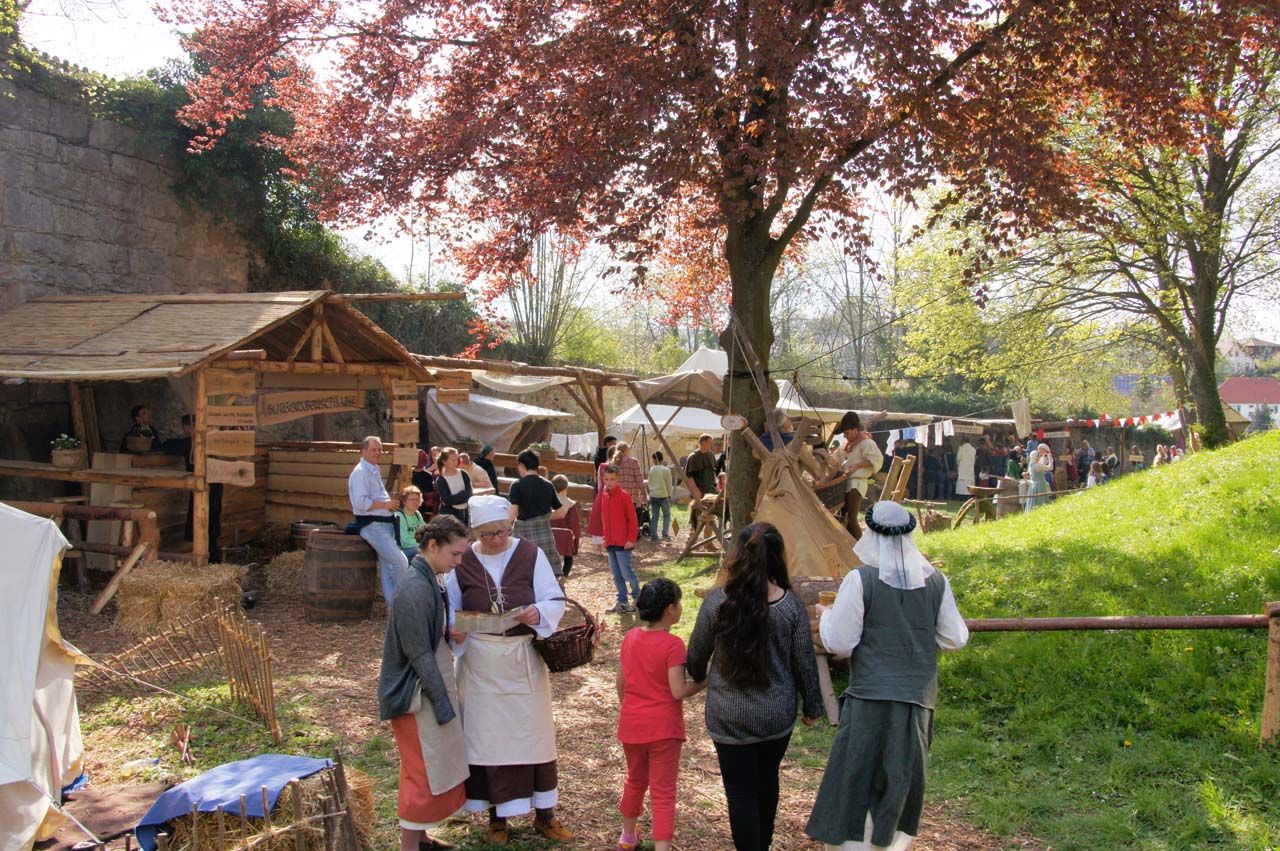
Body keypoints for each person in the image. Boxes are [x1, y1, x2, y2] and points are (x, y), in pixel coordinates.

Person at [806, 501, 969, 851]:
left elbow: (841, 643)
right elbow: (955, 638)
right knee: (899, 781)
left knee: (858, 779)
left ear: (873, 535)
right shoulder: (936, 582)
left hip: (870, 700)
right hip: (916, 701)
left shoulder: (860, 580)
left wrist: (827, 615)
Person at [686, 524, 824, 851]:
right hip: (776, 716)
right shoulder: (790, 606)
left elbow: (696, 655)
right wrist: (813, 706)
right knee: (767, 781)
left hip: (728, 716)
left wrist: (700, 675)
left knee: (740, 794)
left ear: (736, 556)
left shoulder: (717, 602)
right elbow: (804, 661)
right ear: (777, 558)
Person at [446, 495, 572, 845]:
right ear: (475, 532)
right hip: (480, 664)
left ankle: (545, 815)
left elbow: (554, 599)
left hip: (521, 661)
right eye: (487, 534)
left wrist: (538, 612)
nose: (496, 539)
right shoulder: (463, 560)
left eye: (502, 531)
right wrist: (455, 629)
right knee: (487, 741)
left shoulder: (530, 554)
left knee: (532, 737)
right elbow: (450, 608)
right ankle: (496, 818)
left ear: (510, 526)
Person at [379, 515, 471, 851]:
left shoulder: (428, 578)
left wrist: (446, 632)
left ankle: (422, 839)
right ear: (433, 546)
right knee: (420, 771)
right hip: (413, 693)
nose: (458, 562)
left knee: (432, 766)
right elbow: (418, 653)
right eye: (454, 554)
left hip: (426, 687)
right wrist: (442, 703)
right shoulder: (414, 588)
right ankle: (410, 846)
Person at [616, 578, 705, 851]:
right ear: (670, 609)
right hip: (664, 729)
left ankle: (627, 837)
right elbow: (678, 690)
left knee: (635, 780)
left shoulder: (630, 637)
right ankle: (662, 847)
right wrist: (706, 681)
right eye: (679, 603)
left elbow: (621, 682)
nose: (680, 607)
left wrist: (630, 709)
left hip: (632, 724)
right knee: (663, 791)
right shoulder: (673, 644)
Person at [348, 436, 408, 604]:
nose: (378, 453)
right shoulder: (360, 472)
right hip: (373, 526)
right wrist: (386, 504)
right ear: (364, 451)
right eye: (374, 450)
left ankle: (393, 610)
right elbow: (360, 503)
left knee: (388, 570)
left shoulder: (373, 469)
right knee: (400, 563)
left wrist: (389, 506)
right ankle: (402, 603)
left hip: (384, 524)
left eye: (380, 449)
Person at [162, 414, 223, 562]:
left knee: (206, 518)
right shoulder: (206, 440)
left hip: (206, 484)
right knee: (210, 517)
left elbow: (166, 446)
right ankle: (212, 554)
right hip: (214, 483)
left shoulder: (189, 442)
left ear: (186, 428)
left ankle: (210, 555)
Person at [507, 450, 564, 576]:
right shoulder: (548, 485)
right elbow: (561, 513)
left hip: (523, 534)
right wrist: (543, 518)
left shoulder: (517, 485)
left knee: (523, 571)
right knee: (546, 571)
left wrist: (504, 528)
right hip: (544, 534)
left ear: (521, 465)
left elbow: (513, 514)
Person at [832, 412, 883, 541]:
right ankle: (849, 546)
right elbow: (835, 458)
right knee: (843, 517)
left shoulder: (867, 443)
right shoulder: (847, 444)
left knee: (851, 518)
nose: (845, 436)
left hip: (856, 484)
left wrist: (858, 466)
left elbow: (877, 459)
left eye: (847, 433)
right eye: (844, 434)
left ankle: (861, 547)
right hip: (845, 483)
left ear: (855, 430)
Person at [600, 463, 641, 613]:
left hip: (623, 542)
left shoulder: (624, 496)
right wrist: (605, 538)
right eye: (606, 479)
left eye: (612, 479)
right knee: (616, 575)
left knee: (626, 572)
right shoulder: (604, 496)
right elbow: (604, 518)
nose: (609, 482)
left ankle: (638, 598)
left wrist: (631, 538)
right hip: (611, 542)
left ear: (618, 479)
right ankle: (622, 601)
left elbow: (633, 519)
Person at [549, 475, 581, 578]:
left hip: (550, 534)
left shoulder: (547, 501)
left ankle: (551, 575)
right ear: (566, 488)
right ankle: (564, 576)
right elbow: (574, 522)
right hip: (565, 535)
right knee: (568, 558)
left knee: (549, 556)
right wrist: (577, 535)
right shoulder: (569, 504)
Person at [434, 447, 472, 525]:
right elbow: (447, 500)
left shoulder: (464, 474)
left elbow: (469, 494)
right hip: (448, 515)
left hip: (464, 513)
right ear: (444, 461)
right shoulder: (441, 480)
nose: (456, 462)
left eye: (457, 459)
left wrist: (458, 497)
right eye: (453, 460)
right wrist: (462, 494)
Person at [613, 442, 649, 511]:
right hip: (631, 498)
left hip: (616, 499)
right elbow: (639, 480)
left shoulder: (613, 463)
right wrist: (644, 494)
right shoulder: (633, 462)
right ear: (627, 450)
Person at [394, 485, 427, 562]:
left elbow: (425, 531)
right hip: (402, 551)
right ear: (404, 501)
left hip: (416, 546)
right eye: (412, 499)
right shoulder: (399, 516)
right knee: (423, 551)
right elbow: (405, 542)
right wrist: (424, 544)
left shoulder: (417, 514)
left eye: (417, 499)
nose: (415, 502)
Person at [647, 451, 673, 542]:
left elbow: (649, 482)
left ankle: (654, 536)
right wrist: (669, 495)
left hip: (653, 495)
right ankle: (665, 533)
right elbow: (669, 484)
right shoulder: (666, 470)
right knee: (666, 515)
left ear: (654, 459)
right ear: (662, 459)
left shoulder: (651, 469)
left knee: (655, 515)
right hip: (663, 495)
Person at [684, 433, 719, 499]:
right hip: (699, 490)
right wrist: (695, 490)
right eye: (709, 443)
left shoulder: (711, 455)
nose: (711, 445)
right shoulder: (693, 457)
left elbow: (713, 472)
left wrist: (716, 486)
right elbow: (689, 476)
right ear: (703, 442)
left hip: (711, 489)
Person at [1025, 443, 1053, 512]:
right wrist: (1050, 458)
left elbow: (1042, 465)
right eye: (1038, 456)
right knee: (1040, 500)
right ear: (1036, 457)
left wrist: (1044, 456)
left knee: (1034, 500)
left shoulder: (1031, 464)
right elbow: (1050, 468)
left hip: (1033, 485)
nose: (1039, 457)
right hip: (1040, 485)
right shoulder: (1037, 465)